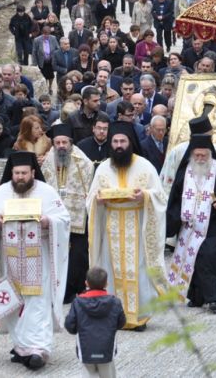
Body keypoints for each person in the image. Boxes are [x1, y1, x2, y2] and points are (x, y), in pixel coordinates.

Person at [0, 152, 70, 370]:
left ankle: (40, 349)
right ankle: (21, 347)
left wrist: (49, 221)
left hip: (39, 260)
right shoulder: (2, 192)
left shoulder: (46, 192)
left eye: (24, 173)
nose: (20, 177)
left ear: (32, 173)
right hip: (10, 262)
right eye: (16, 173)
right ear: (11, 173)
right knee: (14, 306)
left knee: (38, 305)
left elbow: (64, 219)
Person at [86, 122, 166, 329]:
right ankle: (114, 315)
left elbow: (160, 197)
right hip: (111, 227)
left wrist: (145, 196)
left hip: (137, 226)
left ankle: (138, 316)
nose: (119, 145)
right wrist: (98, 201)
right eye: (115, 141)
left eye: (123, 141)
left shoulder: (145, 166)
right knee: (111, 272)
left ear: (130, 142)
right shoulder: (103, 168)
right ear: (110, 143)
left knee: (137, 270)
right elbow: (91, 198)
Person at [166, 135, 216, 312]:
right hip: (188, 226)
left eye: (203, 156)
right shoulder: (185, 172)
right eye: (196, 155)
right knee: (193, 258)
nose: (199, 159)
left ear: (210, 154)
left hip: (213, 224)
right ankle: (197, 296)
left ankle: (214, 299)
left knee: (208, 256)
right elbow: (175, 199)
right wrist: (176, 217)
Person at [40, 124, 95, 303]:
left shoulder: (83, 161)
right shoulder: (48, 160)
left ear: (71, 143)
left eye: (65, 142)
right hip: (54, 215)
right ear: (53, 144)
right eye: (58, 142)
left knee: (77, 255)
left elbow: (89, 186)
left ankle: (76, 287)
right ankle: (56, 288)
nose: (61, 146)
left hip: (77, 216)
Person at [64, 267, 126, 378]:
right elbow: (121, 322)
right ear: (106, 284)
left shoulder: (78, 302)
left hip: (86, 349)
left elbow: (70, 325)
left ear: (86, 283)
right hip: (107, 349)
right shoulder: (115, 302)